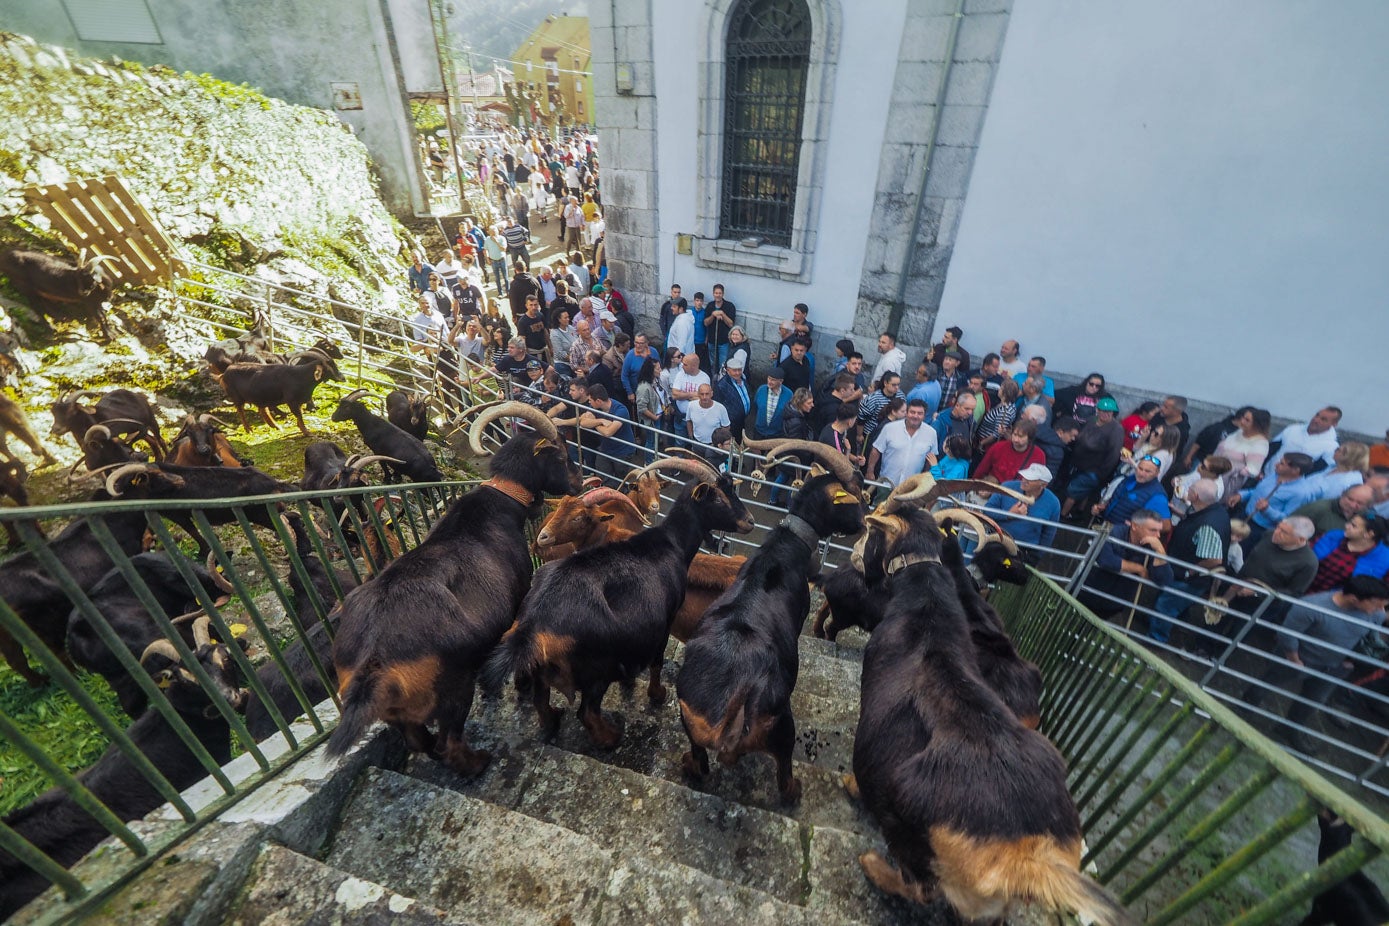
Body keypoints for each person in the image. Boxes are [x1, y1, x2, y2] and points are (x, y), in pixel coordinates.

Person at [1241, 575, 1389, 755]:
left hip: (1334, 667)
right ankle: (1244, 708)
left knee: (1313, 700)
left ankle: (1289, 729)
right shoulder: (1312, 606)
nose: (1381, 610)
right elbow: (1287, 635)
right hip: (1299, 659)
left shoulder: (1375, 613)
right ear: (1354, 599)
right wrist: (1294, 660)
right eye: (1376, 604)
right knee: (1268, 682)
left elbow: (1368, 637)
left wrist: (1351, 660)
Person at [1147, 479, 1231, 645]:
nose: (1188, 490)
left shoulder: (1208, 525)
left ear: (1196, 496)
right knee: (1171, 602)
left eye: (1190, 489)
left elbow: (1214, 559)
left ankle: (1156, 640)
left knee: (1166, 605)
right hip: (1180, 569)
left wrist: (1189, 571)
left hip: (1190, 579)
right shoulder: (1212, 510)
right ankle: (1161, 624)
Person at [1076, 509, 1173, 623]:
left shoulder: (1152, 547)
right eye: (1153, 530)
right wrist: (1139, 568)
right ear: (1135, 526)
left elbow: (1165, 581)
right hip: (1087, 592)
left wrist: (1160, 551)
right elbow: (1106, 560)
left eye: (1159, 531)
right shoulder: (1113, 532)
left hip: (1113, 604)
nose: (1157, 536)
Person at [1233, 452, 1321, 549]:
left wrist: (1267, 510)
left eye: (1282, 463)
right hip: (1242, 515)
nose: (1276, 464)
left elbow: (1287, 519)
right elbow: (1258, 490)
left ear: (1295, 470)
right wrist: (1241, 495)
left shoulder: (1301, 493)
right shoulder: (1275, 474)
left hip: (1257, 529)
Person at [1061, 397, 1124, 518]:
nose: (1105, 414)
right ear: (1097, 410)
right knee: (1084, 490)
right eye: (1102, 410)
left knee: (1073, 492)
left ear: (1113, 413)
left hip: (1095, 469)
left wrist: (1101, 473)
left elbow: (1114, 454)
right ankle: (1080, 511)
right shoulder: (1091, 420)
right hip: (1079, 463)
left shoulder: (1116, 429)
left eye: (1108, 411)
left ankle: (1062, 516)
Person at [984, 463, 1062, 549]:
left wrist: (1037, 555)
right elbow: (987, 511)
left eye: (1030, 479)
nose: (1024, 480)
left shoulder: (1053, 503)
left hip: (1026, 549)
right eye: (1025, 476)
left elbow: (1049, 533)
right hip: (997, 541)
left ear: (1043, 485)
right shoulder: (1007, 486)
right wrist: (1008, 515)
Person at [1307, 514, 1389, 594]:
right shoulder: (1332, 536)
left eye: (1353, 526)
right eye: (1350, 522)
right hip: (1304, 586)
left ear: (1369, 534)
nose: (1347, 526)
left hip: (1334, 601)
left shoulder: (1385, 559)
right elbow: (1306, 555)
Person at [868, 398, 939, 488]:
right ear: (906, 413)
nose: (915, 416)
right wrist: (870, 472)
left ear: (924, 416)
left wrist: (923, 481)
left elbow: (930, 459)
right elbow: (876, 450)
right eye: (912, 412)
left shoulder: (931, 433)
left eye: (920, 413)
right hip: (886, 484)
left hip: (910, 488)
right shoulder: (890, 428)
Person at [1208, 407, 1272, 497]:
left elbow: (1253, 470)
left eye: (1247, 420)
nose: (1242, 421)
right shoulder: (1239, 432)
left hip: (1226, 481)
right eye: (1243, 417)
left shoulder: (1260, 445)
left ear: (1257, 425)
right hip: (1212, 470)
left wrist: (1232, 470)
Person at [1095, 455, 1172, 525]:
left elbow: (1166, 525)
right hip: (1105, 527)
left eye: (1147, 471)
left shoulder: (1157, 495)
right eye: (1140, 468)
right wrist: (1103, 507)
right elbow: (1119, 499)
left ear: (1157, 473)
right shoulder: (1130, 479)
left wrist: (1138, 527)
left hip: (1122, 536)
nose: (1141, 473)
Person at [1266, 406, 1342, 474]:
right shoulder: (1293, 429)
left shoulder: (1331, 447)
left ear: (1334, 424)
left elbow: (1320, 471)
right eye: (1317, 415)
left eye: (1323, 419)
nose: (1316, 420)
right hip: (1266, 475)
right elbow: (1271, 448)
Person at [974, 418, 1046, 485]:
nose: (1016, 439)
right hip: (993, 490)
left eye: (1021, 436)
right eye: (1015, 435)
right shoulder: (998, 447)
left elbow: (1037, 481)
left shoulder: (1039, 455)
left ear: (1029, 439)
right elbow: (982, 469)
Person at [1293, 485, 1375, 539]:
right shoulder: (1318, 508)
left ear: (1368, 505)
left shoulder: (1368, 515)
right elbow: (1289, 527)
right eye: (1350, 499)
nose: (1353, 505)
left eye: (1359, 503)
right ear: (1342, 494)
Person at [1304, 442, 1370, 501]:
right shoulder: (1332, 467)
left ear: (1348, 457)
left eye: (1338, 450)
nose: (1335, 451)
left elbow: (1326, 501)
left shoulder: (1346, 481)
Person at [670, 351, 710, 437]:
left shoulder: (704, 378)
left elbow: (703, 399)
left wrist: (682, 394)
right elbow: (674, 395)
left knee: (694, 442)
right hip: (681, 417)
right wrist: (692, 394)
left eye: (685, 364)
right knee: (679, 442)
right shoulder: (680, 374)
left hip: (696, 419)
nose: (682, 366)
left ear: (693, 366)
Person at [976, 378, 1022, 455]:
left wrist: (981, 443)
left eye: (1001, 388)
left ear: (1005, 392)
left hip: (985, 444)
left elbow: (996, 434)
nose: (999, 390)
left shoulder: (1005, 411)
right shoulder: (1006, 405)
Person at [714, 354, 752, 442]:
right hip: (731, 423)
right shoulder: (722, 386)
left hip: (742, 419)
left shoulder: (743, 378)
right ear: (727, 371)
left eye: (739, 370)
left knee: (739, 440)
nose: (738, 373)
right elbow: (718, 405)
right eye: (734, 370)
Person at [633, 357, 665, 461]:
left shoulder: (656, 380)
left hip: (658, 414)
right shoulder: (643, 387)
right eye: (658, 368)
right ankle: (649, 462)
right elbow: (641, 408)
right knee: (651, 441)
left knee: (655, 440)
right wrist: (654, 418)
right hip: (652, 419)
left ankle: (654, 457)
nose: (660, 370)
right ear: (651, 370)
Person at [857, 372, 901, 446]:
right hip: (872, 435)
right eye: (894, 385)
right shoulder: (873, 399)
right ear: (885, 383)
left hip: (892, 434)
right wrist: (859, 435)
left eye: (898, 385)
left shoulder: (900, 395)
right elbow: (861, 418)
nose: (897, 387)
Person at [749, 367, 793, 441]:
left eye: (773, 380)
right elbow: (755, 407)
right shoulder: (761, 390)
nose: (770, 381)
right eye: (769, 378)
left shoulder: (788, 394)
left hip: (776, 434)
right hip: (759, 432)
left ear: (781, 381)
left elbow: (789, 414)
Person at [820, 401, 866, 469]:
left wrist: (856, 459)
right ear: (850, 422)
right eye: (855, 419)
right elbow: (843, 468)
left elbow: (841, 452)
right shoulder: (834, 441)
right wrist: (848, 450)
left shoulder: (831, 427)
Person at [705, 284, 738, 370]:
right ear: (713, 294)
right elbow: (706, 323)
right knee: (712, 363)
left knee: (722, 364)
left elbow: (731, 324)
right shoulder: (710, 306)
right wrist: (713, 315)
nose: (718, 295)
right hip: (712, 341)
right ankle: (713, 379)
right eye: (716, 293)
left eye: (720, 293)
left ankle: (721, 380)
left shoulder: (729, 306)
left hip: (724, 342)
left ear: (723, 294)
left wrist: (723, 314)